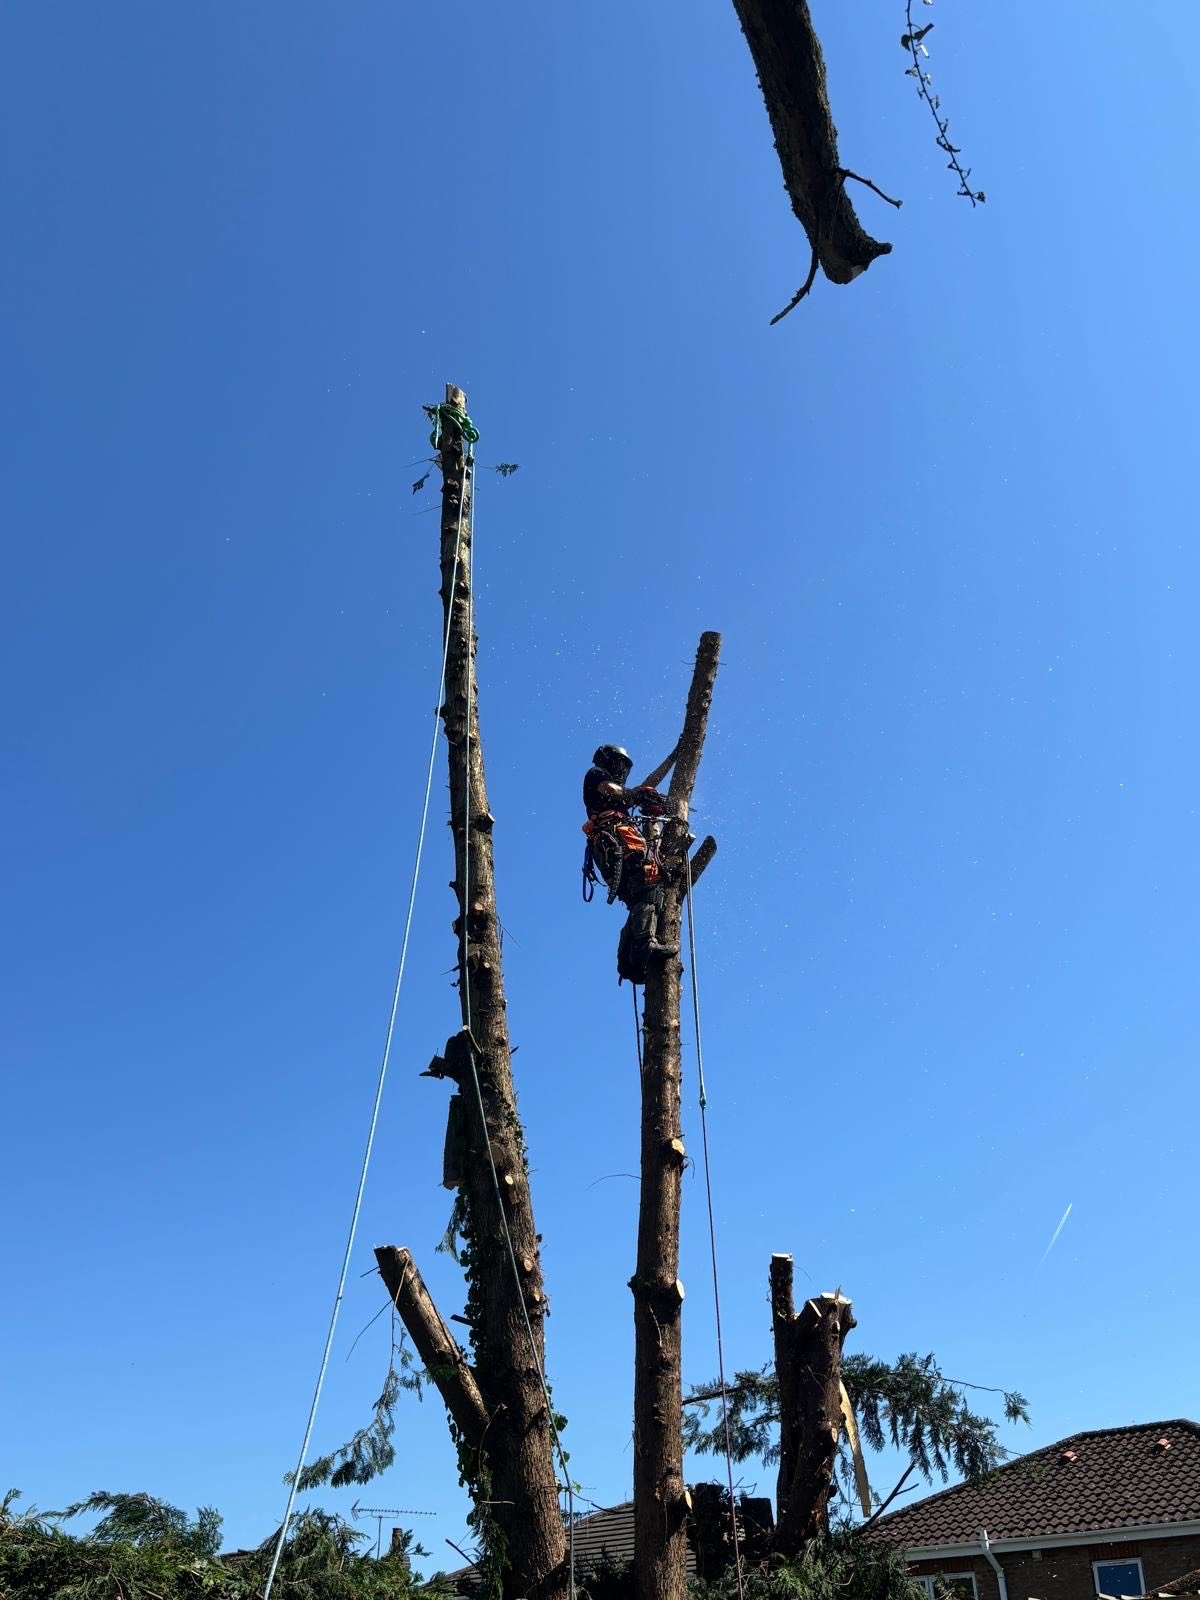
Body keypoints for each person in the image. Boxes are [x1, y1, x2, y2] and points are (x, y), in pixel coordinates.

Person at [582, 744, 679, 983]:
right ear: (608, 761)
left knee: (637, 895)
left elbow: (647, 783)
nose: (621, 770)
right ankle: (645, 944)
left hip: (611, 846)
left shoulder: (621, 796)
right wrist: (636, 794)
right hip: (616, 838)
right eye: (618, 764)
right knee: (649, 882)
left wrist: (673, 756)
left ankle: (628, 962)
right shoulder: (596, 775)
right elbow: (613, 790)